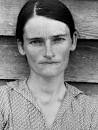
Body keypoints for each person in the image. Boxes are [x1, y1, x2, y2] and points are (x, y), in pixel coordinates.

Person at [0, 0, 98, 129]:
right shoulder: (3, 103)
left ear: (73, 41)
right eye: (36, 42)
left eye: (58, 40)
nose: (49, 53)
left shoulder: (91, 112)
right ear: (21, 46)